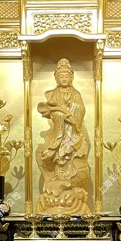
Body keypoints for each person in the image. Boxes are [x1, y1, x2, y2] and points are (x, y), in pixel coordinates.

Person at [36, 58, 91, 216]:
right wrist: (60, 113)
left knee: (69, 157)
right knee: (57, 158)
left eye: (67, 75)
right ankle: (57, 184)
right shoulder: (52, 94)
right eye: (61, 76)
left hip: (72, 133)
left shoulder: (76, 94)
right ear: (56, 77)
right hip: (58, 133)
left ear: (71, 77)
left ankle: (68, 187)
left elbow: (80, 110)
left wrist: (71, 110)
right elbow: (50, 110)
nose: (64, 78)